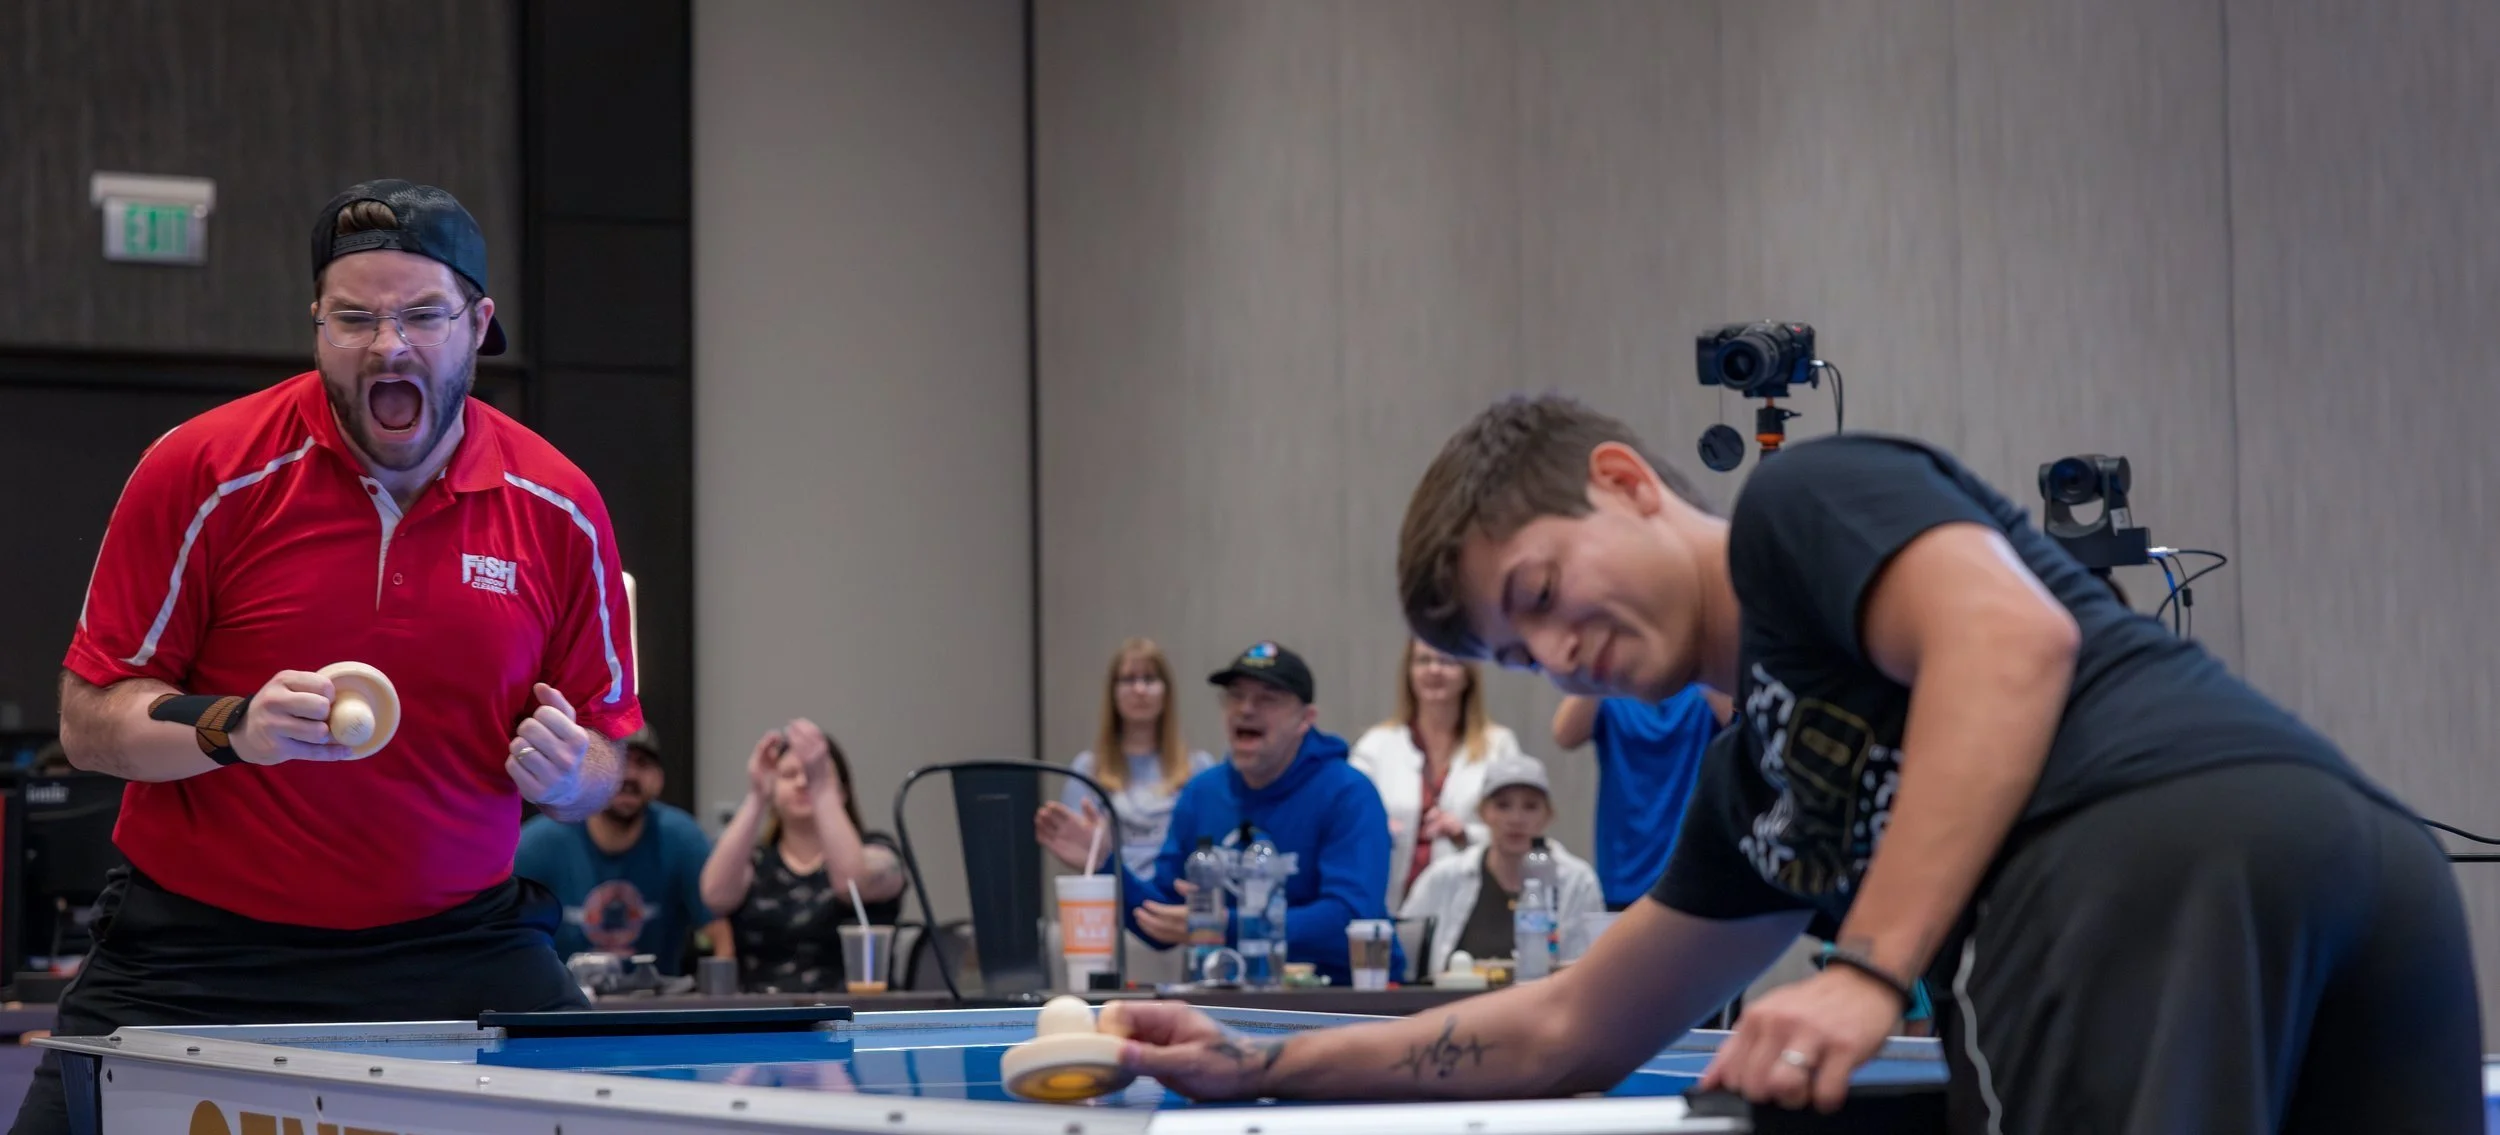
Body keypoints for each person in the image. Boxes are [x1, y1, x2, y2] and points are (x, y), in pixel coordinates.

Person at [1103, 394, 2477, 1134]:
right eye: (1523, 654)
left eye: (1542, 589)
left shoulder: (1801, 502)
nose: (1560, 652)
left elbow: (2011, 638)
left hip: (2148, 847)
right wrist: (1262, 1067)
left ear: (1626, 481)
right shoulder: (1763, 789)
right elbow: (1571, 1027)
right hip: (2364, 864)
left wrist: (1870, 968)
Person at [15, 179, 639, 1135]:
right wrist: (235, 727)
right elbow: (89, 721)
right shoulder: (203, 469)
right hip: (200, 952)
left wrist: (569, 775)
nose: (389, 346)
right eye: (355, 318)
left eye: (422, 315)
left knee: (626, 1115)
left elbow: (606, 756)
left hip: (458, 945)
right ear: (316, 325)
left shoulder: (560, 507)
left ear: (478, 326)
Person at [1033, 642, 1401, 986]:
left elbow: (1351, 919)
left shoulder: (1348, 794)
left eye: (1267, 699)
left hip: (1341, 1000)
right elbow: (1163, 920)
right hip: (1227, 999)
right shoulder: (1203, 793)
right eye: (1236, 696)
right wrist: (1105, 863)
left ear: (1306, 719)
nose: (1246, 709)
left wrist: (1224, 926)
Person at [700, 717, 909, 993]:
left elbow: (851, 884)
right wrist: (758, 795)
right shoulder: (755, 862)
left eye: (813, 774)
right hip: (767, 1014)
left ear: (843, 791)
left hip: (854, 1013)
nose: (802, 782)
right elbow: (714, 896)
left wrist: (821, 788)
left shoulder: (879, 850)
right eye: (789, 775)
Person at [514, 726, 720, 976]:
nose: (629, 775)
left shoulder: (683, 838)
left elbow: (719, 932)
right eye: (617, 761)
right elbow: (499, 932)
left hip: (659, 999)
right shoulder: (538, 845)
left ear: (659, 779)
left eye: (642, 764)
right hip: (563, 998)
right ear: (587, 773)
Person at [1350, 639, 1528, 911]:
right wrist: (1376, 828)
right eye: (1423, 660)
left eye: (1447, 661)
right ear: (1409, 673)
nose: (1434, 670)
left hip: (1470, 908)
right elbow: (1346, 824)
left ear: (1468, 674)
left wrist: (1465, 833)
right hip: (1386, 907)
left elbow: (1521, 830)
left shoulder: (1499, 746)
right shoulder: (1375, 746)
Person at [1398, 753, 1600, 977]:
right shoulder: (1443, 877)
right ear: (1483, 813)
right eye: (1503, 806)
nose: (1516, 819)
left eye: (1530, 806)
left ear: (1547, 815)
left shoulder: (1577, 881)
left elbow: (1590, 969)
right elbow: (1405, 952)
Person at [1550, 687, 1726, 911]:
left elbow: (1749, 732)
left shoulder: (1703, 693)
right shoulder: (1613, 690)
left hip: (1697, 872)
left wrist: (1702, 671)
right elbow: (1564, 735)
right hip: (1625, 870)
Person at [1059, 638, 1219, 878]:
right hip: (1113, 895)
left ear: (1166, 691)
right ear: (1113, 693)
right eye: (1128, 680)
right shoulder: (1087, 769)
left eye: (1150, 679)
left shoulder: (1198, 767)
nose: (1140, 690)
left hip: (1176, 895)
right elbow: (1076, 850)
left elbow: (1212, 844)